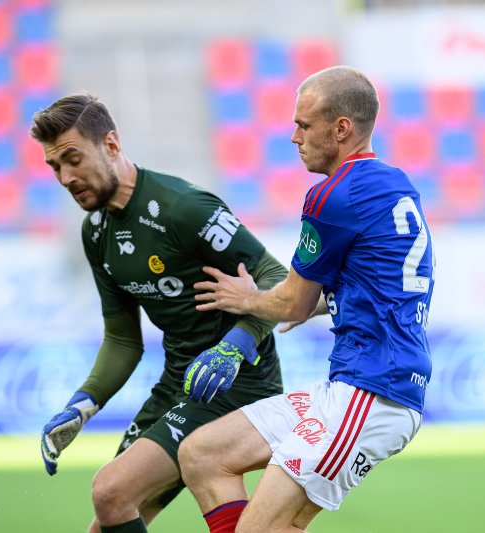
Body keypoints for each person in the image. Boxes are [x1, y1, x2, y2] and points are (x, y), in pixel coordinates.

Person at [178, 65, 436, 532]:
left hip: (372, 391)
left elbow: (292, 303)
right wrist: (317, 302)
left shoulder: (333, 194)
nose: (294, 137)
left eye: (303, 125)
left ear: (341, 129)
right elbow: (377, 283)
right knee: (202, 454)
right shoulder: (394, 183)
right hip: (356, 386)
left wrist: (248, 299)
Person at [30, 93, 287, 533]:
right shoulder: (95, 231)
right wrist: (84, 403)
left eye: (72, 159)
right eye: (55, 167)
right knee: (109, 517)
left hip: (236, 381)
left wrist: (234, 345)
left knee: (110, 490)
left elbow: (275, 276)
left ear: (111, 144)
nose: (65, 177)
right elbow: (123, 338)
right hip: (179, 384)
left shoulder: (183, 207)